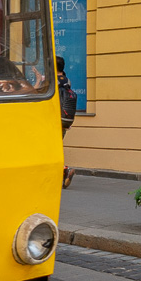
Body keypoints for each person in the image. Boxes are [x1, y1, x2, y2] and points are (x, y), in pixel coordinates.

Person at [57, 56, 77, 189]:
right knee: (58, 145)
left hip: (53, 119)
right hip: (65, 119)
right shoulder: (67, 81)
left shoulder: (51, 81)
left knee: (52, 148)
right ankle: (63, 176)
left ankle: (65, 170)